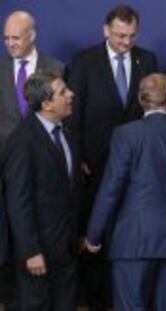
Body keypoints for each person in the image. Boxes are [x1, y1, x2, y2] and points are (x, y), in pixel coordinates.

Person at [65, 5, 158, 309]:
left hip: (138, 168)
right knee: (95, 236)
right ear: (106, 30)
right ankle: (96, 301)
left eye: (131, 36)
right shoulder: (83, 62)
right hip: (94, 167)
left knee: (128, 237)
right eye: (120, 35)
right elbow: (71, 117)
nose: (126, 42)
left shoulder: (148, 60)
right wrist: (78, 159)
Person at [84, 73, 166, 311]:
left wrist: (94, 234)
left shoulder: (126, 134)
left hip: (132, 240)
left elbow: (111, 188)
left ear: (140, 98)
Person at [2, 71, 82, 310]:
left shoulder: (66, 131)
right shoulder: (22, 141)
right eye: (63, 92)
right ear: (47, 104)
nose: (71, 94)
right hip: (38, 254)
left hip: (66, 248)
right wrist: (30, 251)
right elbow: (18, 200)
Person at [0, 10, 64, 152]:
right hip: (6, 154)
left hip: (45, 151)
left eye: (16, 38)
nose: (10, 43)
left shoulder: (57, 68)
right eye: (6, 38)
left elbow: (64, 114)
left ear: (32, 35)